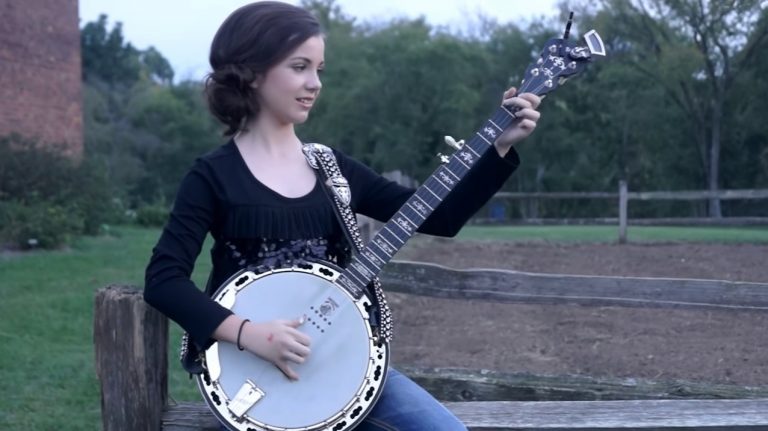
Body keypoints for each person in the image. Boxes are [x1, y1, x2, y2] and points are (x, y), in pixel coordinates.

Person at [143, 1, 541, 430]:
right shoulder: (212, 176)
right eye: (299, 67)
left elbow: (439, 218)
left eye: (319, 69)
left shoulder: (331, 168)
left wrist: (498, 147)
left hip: (345, 365)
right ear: (252, 73)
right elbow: (164, 280)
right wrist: (251, 333)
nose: (314, 83)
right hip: (254, 377)